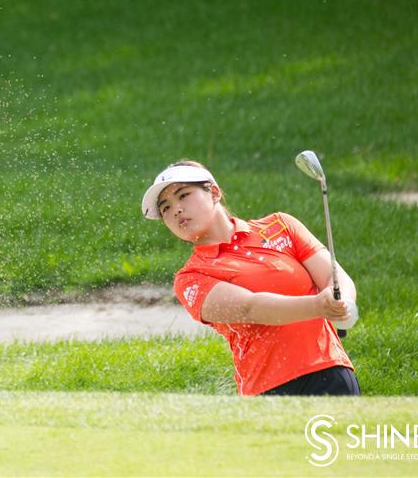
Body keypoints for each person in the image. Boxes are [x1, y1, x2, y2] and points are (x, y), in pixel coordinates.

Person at [142, 160, 360, 396]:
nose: (176, 210)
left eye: (183, 195)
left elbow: (332, 274)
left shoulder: (280, 226)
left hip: (330, 370)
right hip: (269, 390)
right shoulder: (191, 277)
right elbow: (250, 307)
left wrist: (342, 303)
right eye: (165, 208)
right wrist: (318, 306)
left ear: (214, 192)